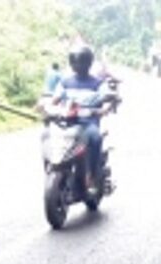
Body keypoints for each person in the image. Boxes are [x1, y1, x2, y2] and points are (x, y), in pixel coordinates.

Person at [50, 43, 111, 196]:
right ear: (71, 63)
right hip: (67, 123)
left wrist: (104, 109)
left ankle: (92, 177)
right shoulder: (65, 82)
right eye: (75, 61)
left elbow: (107, 100)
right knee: (45, 135)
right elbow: (55, 100)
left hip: (88, 123)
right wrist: (49, 108)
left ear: (89, 63)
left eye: (82, 62)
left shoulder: (97, 84)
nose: (79, 65)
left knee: (95, 138)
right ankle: (52, 167)